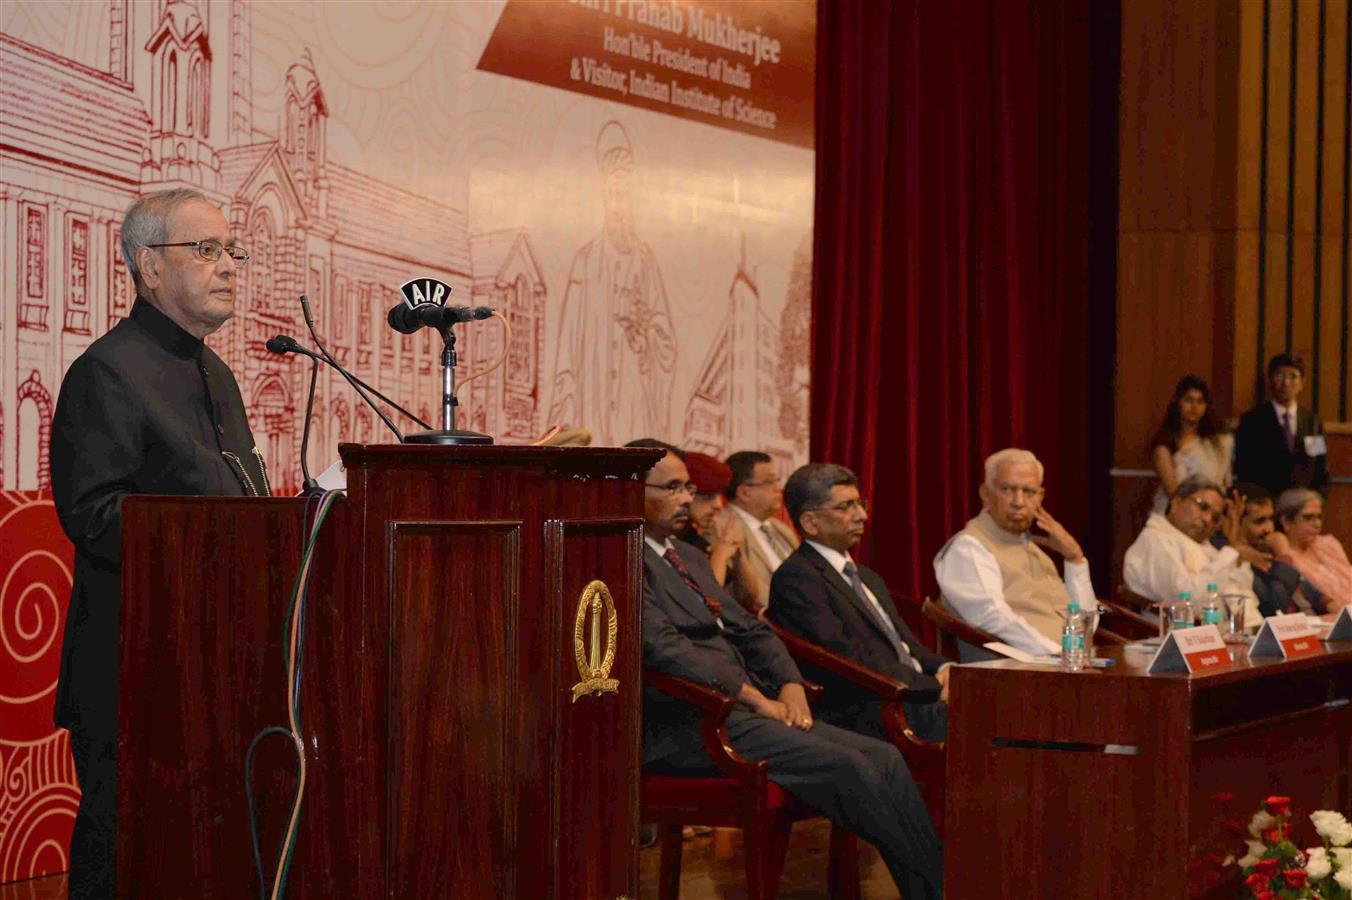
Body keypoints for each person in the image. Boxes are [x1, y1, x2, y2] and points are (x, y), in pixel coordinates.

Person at [49, 189, 269, 898]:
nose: (229, 265)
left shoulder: (220, 377)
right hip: (137, 673)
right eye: (206, 250)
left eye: (233, 250)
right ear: (149, 266)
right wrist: (212, 537)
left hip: (219, 669)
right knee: (128, 865)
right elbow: (94, 514)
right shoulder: (106, 372)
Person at [637, 441, 943, 899]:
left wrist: (790, 684)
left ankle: (939, 888)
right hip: (699, 718)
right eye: (673, 487)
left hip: (750, 708)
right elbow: (663, 650)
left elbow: (753, 631)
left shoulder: (688, 556)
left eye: (688, 487)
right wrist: (754, 696)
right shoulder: (625, 559)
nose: (688, 499)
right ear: (629, 489)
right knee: (851, 765)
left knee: (885, 757)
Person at [768, 463, 950, 743]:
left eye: (860, 504)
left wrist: (944, 670)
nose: (862, 516)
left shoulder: (866, 576)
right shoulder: (797, 577)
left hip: (913, 694)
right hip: (877, 706)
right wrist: (931, 688)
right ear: (810, 522)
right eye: (845, 507)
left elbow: (907, 645)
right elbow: (849, 658)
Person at [547, 120, 676, 445]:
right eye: (615, 190)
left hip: (636, 393)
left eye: (627, 192)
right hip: (596, 386)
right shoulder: (586, 260)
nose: (621, 202)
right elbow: (568, 345)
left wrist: (643, 330)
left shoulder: (646, 261)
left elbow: (665, 342)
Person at [933, 448, 1096, 657]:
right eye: (1007, 489)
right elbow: (993, 617)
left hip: (1066, 666)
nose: (1018, 502)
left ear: (1040, 497)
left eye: (1029, 492)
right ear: (985, 494)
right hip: (1020, 675)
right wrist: (1060, 654)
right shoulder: (968, 548)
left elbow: (1086, 626)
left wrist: (1075, 559)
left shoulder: (1035, 550)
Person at [1122, 477, 1261, 624]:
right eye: (1203, 507)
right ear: (1176, 503)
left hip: (1225, 636)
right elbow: (1190, 600)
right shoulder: (1155, 540)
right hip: (1176, 639)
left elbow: (1241, 594)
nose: (1207, 519)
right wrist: (1230, 552)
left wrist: (1234, 546)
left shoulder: (1205, 548)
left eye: (1215, 517)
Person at [1215, 484, 1326, 617]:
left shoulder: (1262, 549)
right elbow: (1277, 606)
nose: (1269, 528)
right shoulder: (1223, 555)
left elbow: (1315, 595)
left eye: (1270, 519)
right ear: (1234, 520)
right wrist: (1283, 555)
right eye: (1259, 521)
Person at [713, 450, 800, 613]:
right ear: (744, 492)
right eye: (769, 482)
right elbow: (742, 593)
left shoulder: (780, 529)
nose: (778, 488)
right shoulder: (721, 528)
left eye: (777, 480)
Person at [1234, 353, 1330, 498]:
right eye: (1280, 376)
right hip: (1266, 506)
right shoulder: (1252, 422)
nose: (1286, 382)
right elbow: (1245, 470)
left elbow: (1319, 466)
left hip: (1303, 506)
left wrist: (1317, 499)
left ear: (1302, 383)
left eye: (1293, 376)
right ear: (1270, 380)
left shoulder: (1313, 424)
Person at [1149, 375, 1233, 513]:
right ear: (1178, 403)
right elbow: (1174, 493)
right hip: (1176, 514)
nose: (1194, 407)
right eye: (1189, 400)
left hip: (1211, 514)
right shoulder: (1165, 444)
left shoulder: (1217, 443)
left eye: (1200, 402)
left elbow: (1223, 484)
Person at [1268, 489, 1350, 612]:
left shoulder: (1329, 543)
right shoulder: (1285, 555)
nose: (1317, 524)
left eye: (1319, 517)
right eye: (1308, 518)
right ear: (1286, 521)